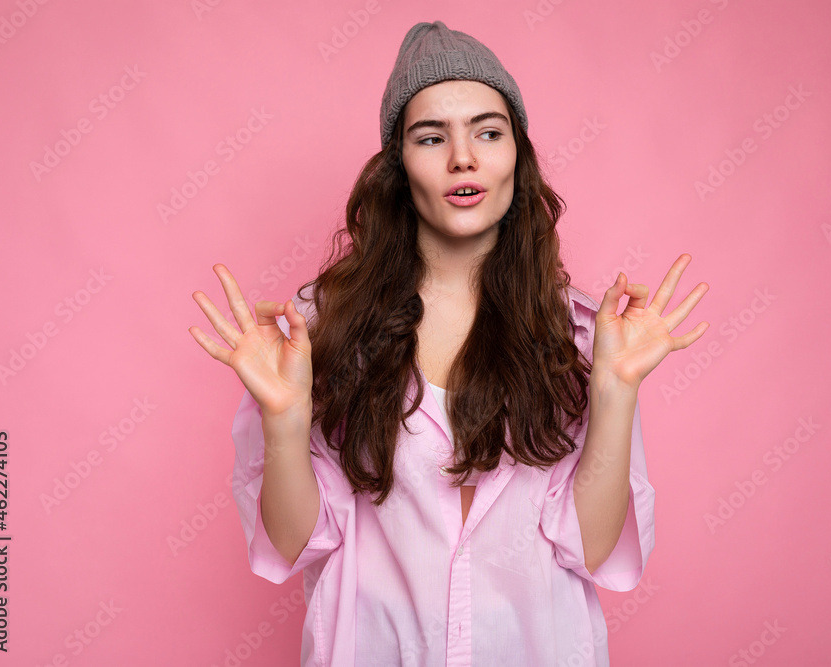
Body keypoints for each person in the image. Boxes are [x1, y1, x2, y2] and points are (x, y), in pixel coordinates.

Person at [189, 20, 708, 667]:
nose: (463, 157)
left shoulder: (580, 333)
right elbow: (293, 544)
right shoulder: (318, 329)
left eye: (488, 132)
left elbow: (596, 548)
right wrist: (285, 418)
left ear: (517, 154)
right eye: (431, 137)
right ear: (398, 168)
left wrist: (614, 387)